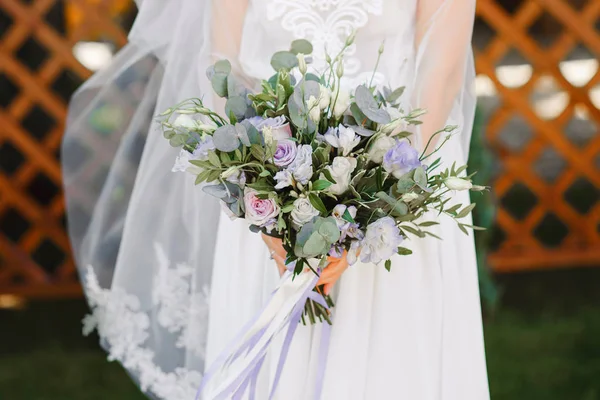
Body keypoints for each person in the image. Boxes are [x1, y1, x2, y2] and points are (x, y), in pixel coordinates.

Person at [62, 0, 489, 399]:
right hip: (270, 184)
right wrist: (265, 202)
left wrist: (377, 204)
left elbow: (442, 66)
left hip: (398, 177)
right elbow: (220, 59)